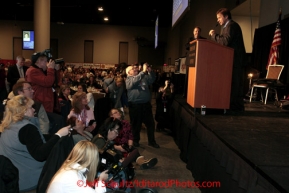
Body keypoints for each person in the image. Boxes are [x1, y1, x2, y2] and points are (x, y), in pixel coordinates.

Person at [0, 95, 71, 192]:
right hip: (31, 181)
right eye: (31, 107)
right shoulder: (27, 128)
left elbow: (34, 140)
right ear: (23, 110)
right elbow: (40, 154)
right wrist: (59, 135)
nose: (34, 110)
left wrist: (56, 135)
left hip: (13, 179)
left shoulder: (9, 126)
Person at [209, 8, 246, 112]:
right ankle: (236, 107)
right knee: (234, 85)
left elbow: (225, 42)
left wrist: (213, 35)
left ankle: (235, 107)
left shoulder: (231, 26)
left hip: (235, 61)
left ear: (226, 17)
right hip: (231, 60)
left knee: (235, 84)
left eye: (219, 17)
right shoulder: (227, 27)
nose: (218, 20)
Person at [125, 63, 160, 148]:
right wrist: (143, 72)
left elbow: (152, 80)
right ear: (129, 73)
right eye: (133, 69)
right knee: (136, 124)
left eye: (135, 68)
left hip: (146, 105)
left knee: (150, 123)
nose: (135, 69)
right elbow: (133, 83)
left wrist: (150, 72)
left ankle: (151, 141)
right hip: (135, 105)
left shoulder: (142, 77)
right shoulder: (129, 79)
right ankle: (136, 141)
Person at [183, 27, 206, 98]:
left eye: (198, 31)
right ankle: (186, 94)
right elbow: (186, 46)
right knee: (188, 79)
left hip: (199, 62)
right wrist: (195, 42)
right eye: (196, 31)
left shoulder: (204, 40)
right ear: (193, 32)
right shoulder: (190, 40)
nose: (197, 32)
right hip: (191, 62)